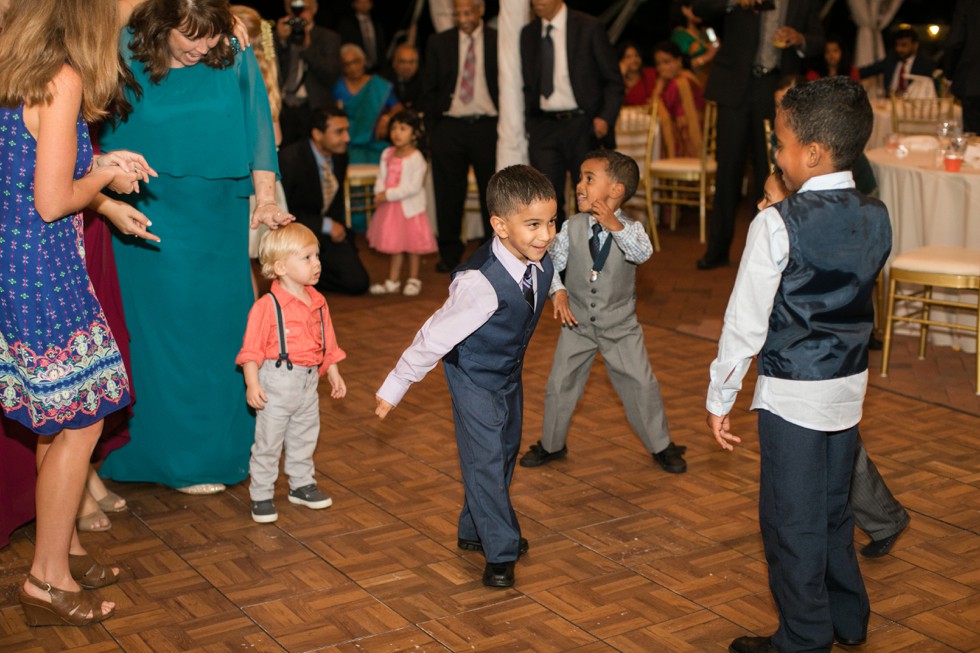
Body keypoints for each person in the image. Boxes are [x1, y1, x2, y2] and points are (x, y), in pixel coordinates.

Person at [707, 76, 889, 653]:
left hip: (792, 394)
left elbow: (745, 323)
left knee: (791, 522)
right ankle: (847, 617)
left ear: (811, 153)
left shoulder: (775, 222)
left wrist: (721, 396)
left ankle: (804, 637)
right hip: (849, 386)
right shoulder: (877, 213)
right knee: (834, 510)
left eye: (780, 144)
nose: (776, 155)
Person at [0, 0, 157, 626]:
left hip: (22, 266)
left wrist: (98, 171)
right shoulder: (61, 77)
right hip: (44, 271)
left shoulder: (17, 72)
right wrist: (105, 178)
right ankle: (46, 580)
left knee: (54, 419)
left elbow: (28, 175)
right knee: (80, 421)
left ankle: (60, 546)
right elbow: (51, 199)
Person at [99, 0, 291, 495]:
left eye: (209, 37)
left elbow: (258, 128)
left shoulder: (231, 44)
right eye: (190, 39)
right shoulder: (120, 46)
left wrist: (265, 200)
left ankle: (215, 453)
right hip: (146, 206)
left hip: (218, 212)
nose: (203, 49)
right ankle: (145, 453)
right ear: (161, 22)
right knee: (156, 333)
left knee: (220, 327)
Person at [375, 165, 557, 589]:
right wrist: (395, 386)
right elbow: (433, 336)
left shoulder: (538, 258)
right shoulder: (479, 285)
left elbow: (550, 272)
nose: (546, 235)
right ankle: (500, 551)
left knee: (505, 448)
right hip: (473, 374)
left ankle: (474, 529)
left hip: (508, 371)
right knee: (487, 459)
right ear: (500, 225)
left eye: (551, 221)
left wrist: (560, 289)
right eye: (533, 225)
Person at [756, 166, 910, 560]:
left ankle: (867, 524)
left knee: (833, 456)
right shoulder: (777, 234)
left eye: (768, 199)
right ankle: (881, 518)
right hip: (811, 368)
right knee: (840, 451)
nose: (760, 206)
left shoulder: (795, 232)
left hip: (812, 368)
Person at [518, 150, 687, 474]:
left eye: (589, 178)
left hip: (620, 326)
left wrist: (616, 227)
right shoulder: (572, 226)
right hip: (577, 324)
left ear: (616, 190)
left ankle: (661, 445)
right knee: (559, 384)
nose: (579, 184)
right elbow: (550, 263)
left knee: (641, 384)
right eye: (580, 178)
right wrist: (559, 291)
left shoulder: (632, 229)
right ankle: (552, 444)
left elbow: (643, 253)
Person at [692, 0, 823, 271]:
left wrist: (799, 39)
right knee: (727, 169)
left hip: (775, 89)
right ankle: (717, 249)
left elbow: (817, 41)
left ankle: (764, 253)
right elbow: (699, 7)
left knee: (774, 173)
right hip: (735, 86)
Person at [236, 223, 346, 524]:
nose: (317, 263)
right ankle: (260, 494)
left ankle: (302, 484)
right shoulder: (266, 306)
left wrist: (332, 371)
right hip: (277, 381)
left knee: (304, 435)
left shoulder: (318, 301)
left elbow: (327, 339)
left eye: (316, 256)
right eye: (307, 258)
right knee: (269, 441)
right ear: (281, 267)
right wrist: (252, 383)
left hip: (309, 382)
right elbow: (251, 350)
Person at [520, 0, 624, 229]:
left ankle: (589, 257)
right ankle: (552, 260)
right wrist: (530, 124)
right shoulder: (528, 34)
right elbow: (528, 85)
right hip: (544, 127)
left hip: (582, 124)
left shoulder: (588, 27)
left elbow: (614, 82)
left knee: (590, 197)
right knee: (546, 199)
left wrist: (604, 117)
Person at [421, 0, 498, 273]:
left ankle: (495, 254)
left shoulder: (497, 40)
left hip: (487, 126)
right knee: (448, 193)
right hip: (449, 126)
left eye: (467, 12)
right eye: (458, 13)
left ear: (480, 11)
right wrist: (433, 127)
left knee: (492, 191)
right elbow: (427, 86)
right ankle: (449, 254)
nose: (462, 18)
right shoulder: (438, 42)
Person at [278, 105, 371, 295]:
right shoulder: (290, 160)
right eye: (339, 132)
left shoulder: (339, 156)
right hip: (295, 234)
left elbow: (334, 203)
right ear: (317, 134)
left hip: (325, 235)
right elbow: (283, 211)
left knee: (358, 282)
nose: (347, 138)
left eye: (346, 131)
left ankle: (308, 278)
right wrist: (326, 225)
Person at [366, 110, 437, 296]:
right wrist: (379, 191)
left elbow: (412, 187)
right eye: (394, 128)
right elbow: (381, 177)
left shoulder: (416, 158)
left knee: (413, 246)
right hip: (390, 210)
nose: (397, 133)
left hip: (410, 209)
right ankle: (393, 280)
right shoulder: (387, 153)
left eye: (403, 129)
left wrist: (387, 194)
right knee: (395, 246)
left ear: (414, 134)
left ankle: (414, 279)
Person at [275, 0, 341, 147]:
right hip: (282, 107)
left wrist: (307, 48)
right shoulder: (277, 36)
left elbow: (331, 75)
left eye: (304, 9)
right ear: (287, 8)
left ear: (314, 9)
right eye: (294, 9)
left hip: (312, 107)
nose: (299, 14)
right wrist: (280, 41)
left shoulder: (328, 37)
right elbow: (268, 68)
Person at [333, 43, 400, 165]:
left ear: (364, 62)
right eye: (347, 64)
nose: (352, 67)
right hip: (346, 143)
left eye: (356, 62)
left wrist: (386, 118)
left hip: (375, 143)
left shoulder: (378, 85)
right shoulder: (337, 86)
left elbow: (398, 108)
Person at [651, 40, 705, 158]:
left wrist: (658, 88)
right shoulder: (689, 78)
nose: (662, 68)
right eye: (659, 64)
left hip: (687, 141)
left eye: (666, 62)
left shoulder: (680, 83)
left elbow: (655, 109)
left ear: (679, 61)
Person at [859, 27, 937, 95]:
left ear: (915, 45)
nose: (899, 49)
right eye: (897, 44)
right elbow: (870, 70)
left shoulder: (925, 63)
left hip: (914, 105)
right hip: (890, 102)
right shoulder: (892, 58)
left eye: (904, 45)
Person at [943, 0, 980, 132]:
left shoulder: (968, 3)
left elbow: (954, 42)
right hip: (974, 84)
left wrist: (949, 74)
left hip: (974, 83)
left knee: (974, 139)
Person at [669, 1, 718, 85]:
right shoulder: (680, 35)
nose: (701, 11)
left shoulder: (707, 30)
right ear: (685, 10)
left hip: (712, 79)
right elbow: (681, 65)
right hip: (694, 82)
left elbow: (716, 45)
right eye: (697, 7)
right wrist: (707, 57)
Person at [336, 0, 386, 74]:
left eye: (367, 2)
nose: (364, 5)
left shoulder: (377, 23)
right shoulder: (347, 24)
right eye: (360, 2)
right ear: (354, 4)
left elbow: (381, 45)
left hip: (378, 68)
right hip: (356, 68)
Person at [618, 41, 658, 106]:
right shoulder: (617, 81)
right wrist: (621, 76)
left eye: (636, 55)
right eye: (628, 57)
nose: (634, 59)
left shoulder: (650, 74)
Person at [385, 43, 422, 108]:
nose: (407, 66)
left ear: (417, 65)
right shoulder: (385, 82)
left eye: (411, 62)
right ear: (394, 63)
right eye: (402, 61)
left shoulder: (424, 81)